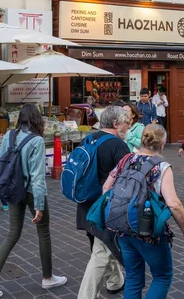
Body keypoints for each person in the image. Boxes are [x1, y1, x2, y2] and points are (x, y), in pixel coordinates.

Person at [0, 104, 67, 298]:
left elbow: (1, 161)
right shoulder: (36, 141)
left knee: (12, 234)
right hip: (29, 190)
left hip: (11, 188)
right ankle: (47, 277)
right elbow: (37, 176)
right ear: (37, 119)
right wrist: (39, 205)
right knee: (43, 232)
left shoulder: (10, 136)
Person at [103, 124, 184, 298]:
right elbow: (174, 204)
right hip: (149, 232)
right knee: (162, 276)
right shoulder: (161, 167)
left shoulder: (126, 160)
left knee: (133, 278)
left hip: (123, 228)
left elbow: (106, 188)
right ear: (162, 143)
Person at [77, 106, 129, 299]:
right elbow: (127, 179)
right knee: (102, 251)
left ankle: (115, 281)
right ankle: (85, 295)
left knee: (104, 243)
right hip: (107, 203)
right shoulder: (118, 145)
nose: (127, 127)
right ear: (116, 123)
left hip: (86, 201)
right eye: (126, 123)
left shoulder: (89, 138)